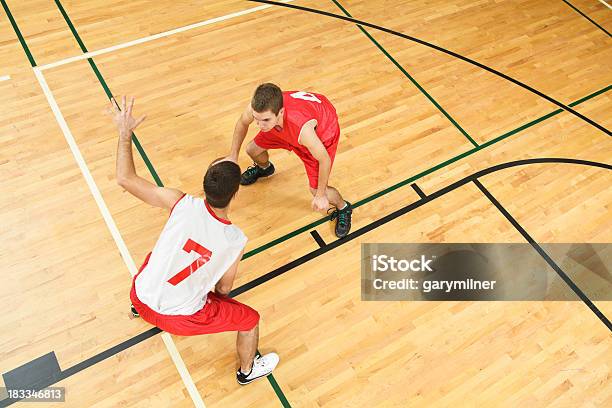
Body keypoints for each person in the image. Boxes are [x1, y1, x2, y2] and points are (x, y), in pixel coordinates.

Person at [109, 96, 279, 385]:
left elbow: (125, 179)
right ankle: (247, 371)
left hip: (139, 293)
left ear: (204, 182)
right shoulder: (235, 239)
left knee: (156, 255)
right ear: (235, 194)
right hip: (179, 319)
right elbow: (224, 290)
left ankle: (137, 310)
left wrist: (125, 134)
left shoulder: (179, 201)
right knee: (250, 319)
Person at [228, 83, 353, 238]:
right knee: (252, 150)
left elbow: (324, 160)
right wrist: (233, 156)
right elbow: (242, 122)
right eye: (256, 119)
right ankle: (264, 168)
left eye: (265, 120)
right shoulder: (260, 109)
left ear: (280, 112)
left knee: (316, 190)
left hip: (322, 133)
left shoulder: (303, 130)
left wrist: (320, 195)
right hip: (285, 127)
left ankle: (344, 207)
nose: (260, 125)